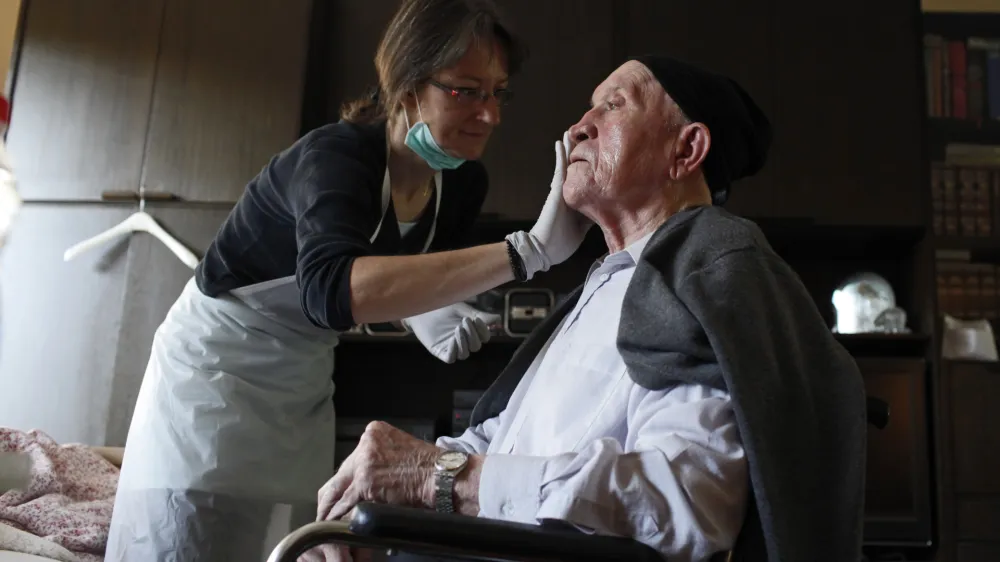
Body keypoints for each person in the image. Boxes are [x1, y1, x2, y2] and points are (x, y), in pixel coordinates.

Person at [308, 55, 869, 562]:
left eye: (614, 105)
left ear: (686, 150)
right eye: (588, 107)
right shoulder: (601, 286)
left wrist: (439, 477)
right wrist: (381, 493)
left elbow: (688, 500)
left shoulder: (710, 266)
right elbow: (499, 439)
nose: (579, 126)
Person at [104, 0, 594, 560]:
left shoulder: (462, 185)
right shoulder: (334, 158)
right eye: (466, 91)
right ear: (407, 85)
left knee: (291, 540)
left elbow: (406, 276)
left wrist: (423, 307)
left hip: (303, 374)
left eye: (497, 93)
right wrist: (526, 252)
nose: (489, 115)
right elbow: (330, 291)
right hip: (214, 369)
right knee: (182, 534)